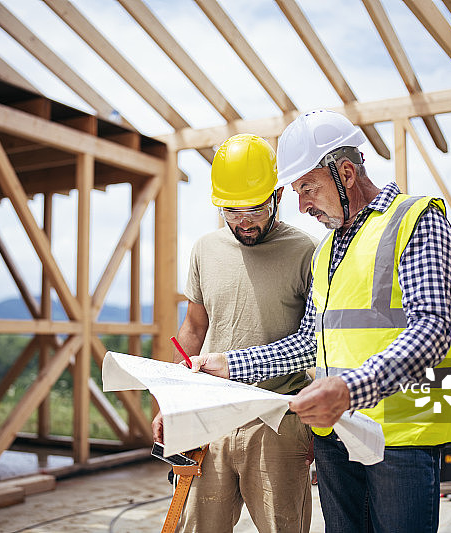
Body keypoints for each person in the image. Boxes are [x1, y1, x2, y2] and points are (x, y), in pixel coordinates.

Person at [189, 110, 451, 533]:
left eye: (308, 189)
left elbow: (431, 329)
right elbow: (308, 341)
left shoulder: (416, 219)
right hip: (339, 433)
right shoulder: (327, 251)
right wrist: (230, 364)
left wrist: (348, 389)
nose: (301, 205)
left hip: (404, 437)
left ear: (347, 173)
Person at [152, 134, 317, 533]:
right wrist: (173, 402)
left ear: (277, 194)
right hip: (209, 419)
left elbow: (315, 344)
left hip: (276, 421)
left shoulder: (308, 252)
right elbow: (194, 328)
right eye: (232, 210)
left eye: (255, 209)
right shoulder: (205, 249)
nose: (243, 221)